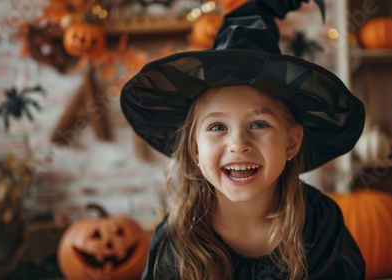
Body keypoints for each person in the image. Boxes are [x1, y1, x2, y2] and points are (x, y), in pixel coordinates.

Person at [120, 0, 366, 279]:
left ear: (291, 143)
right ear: (195, 149)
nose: (238, 143)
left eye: (259, 124)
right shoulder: (176, 239)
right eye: (217, 127)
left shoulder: (319, 222)